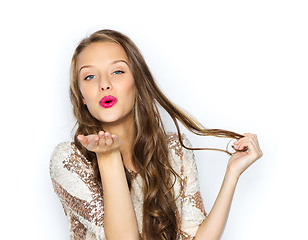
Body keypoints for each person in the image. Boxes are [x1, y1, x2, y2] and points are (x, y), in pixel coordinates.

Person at [49, 29, 263, 240]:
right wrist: (108, 157)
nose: (104, 84)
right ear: (82, 96)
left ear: (138, 80)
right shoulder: (69, 159)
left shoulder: (173, 149)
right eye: (89, 76)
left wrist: (232, 174)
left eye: (117, 72)